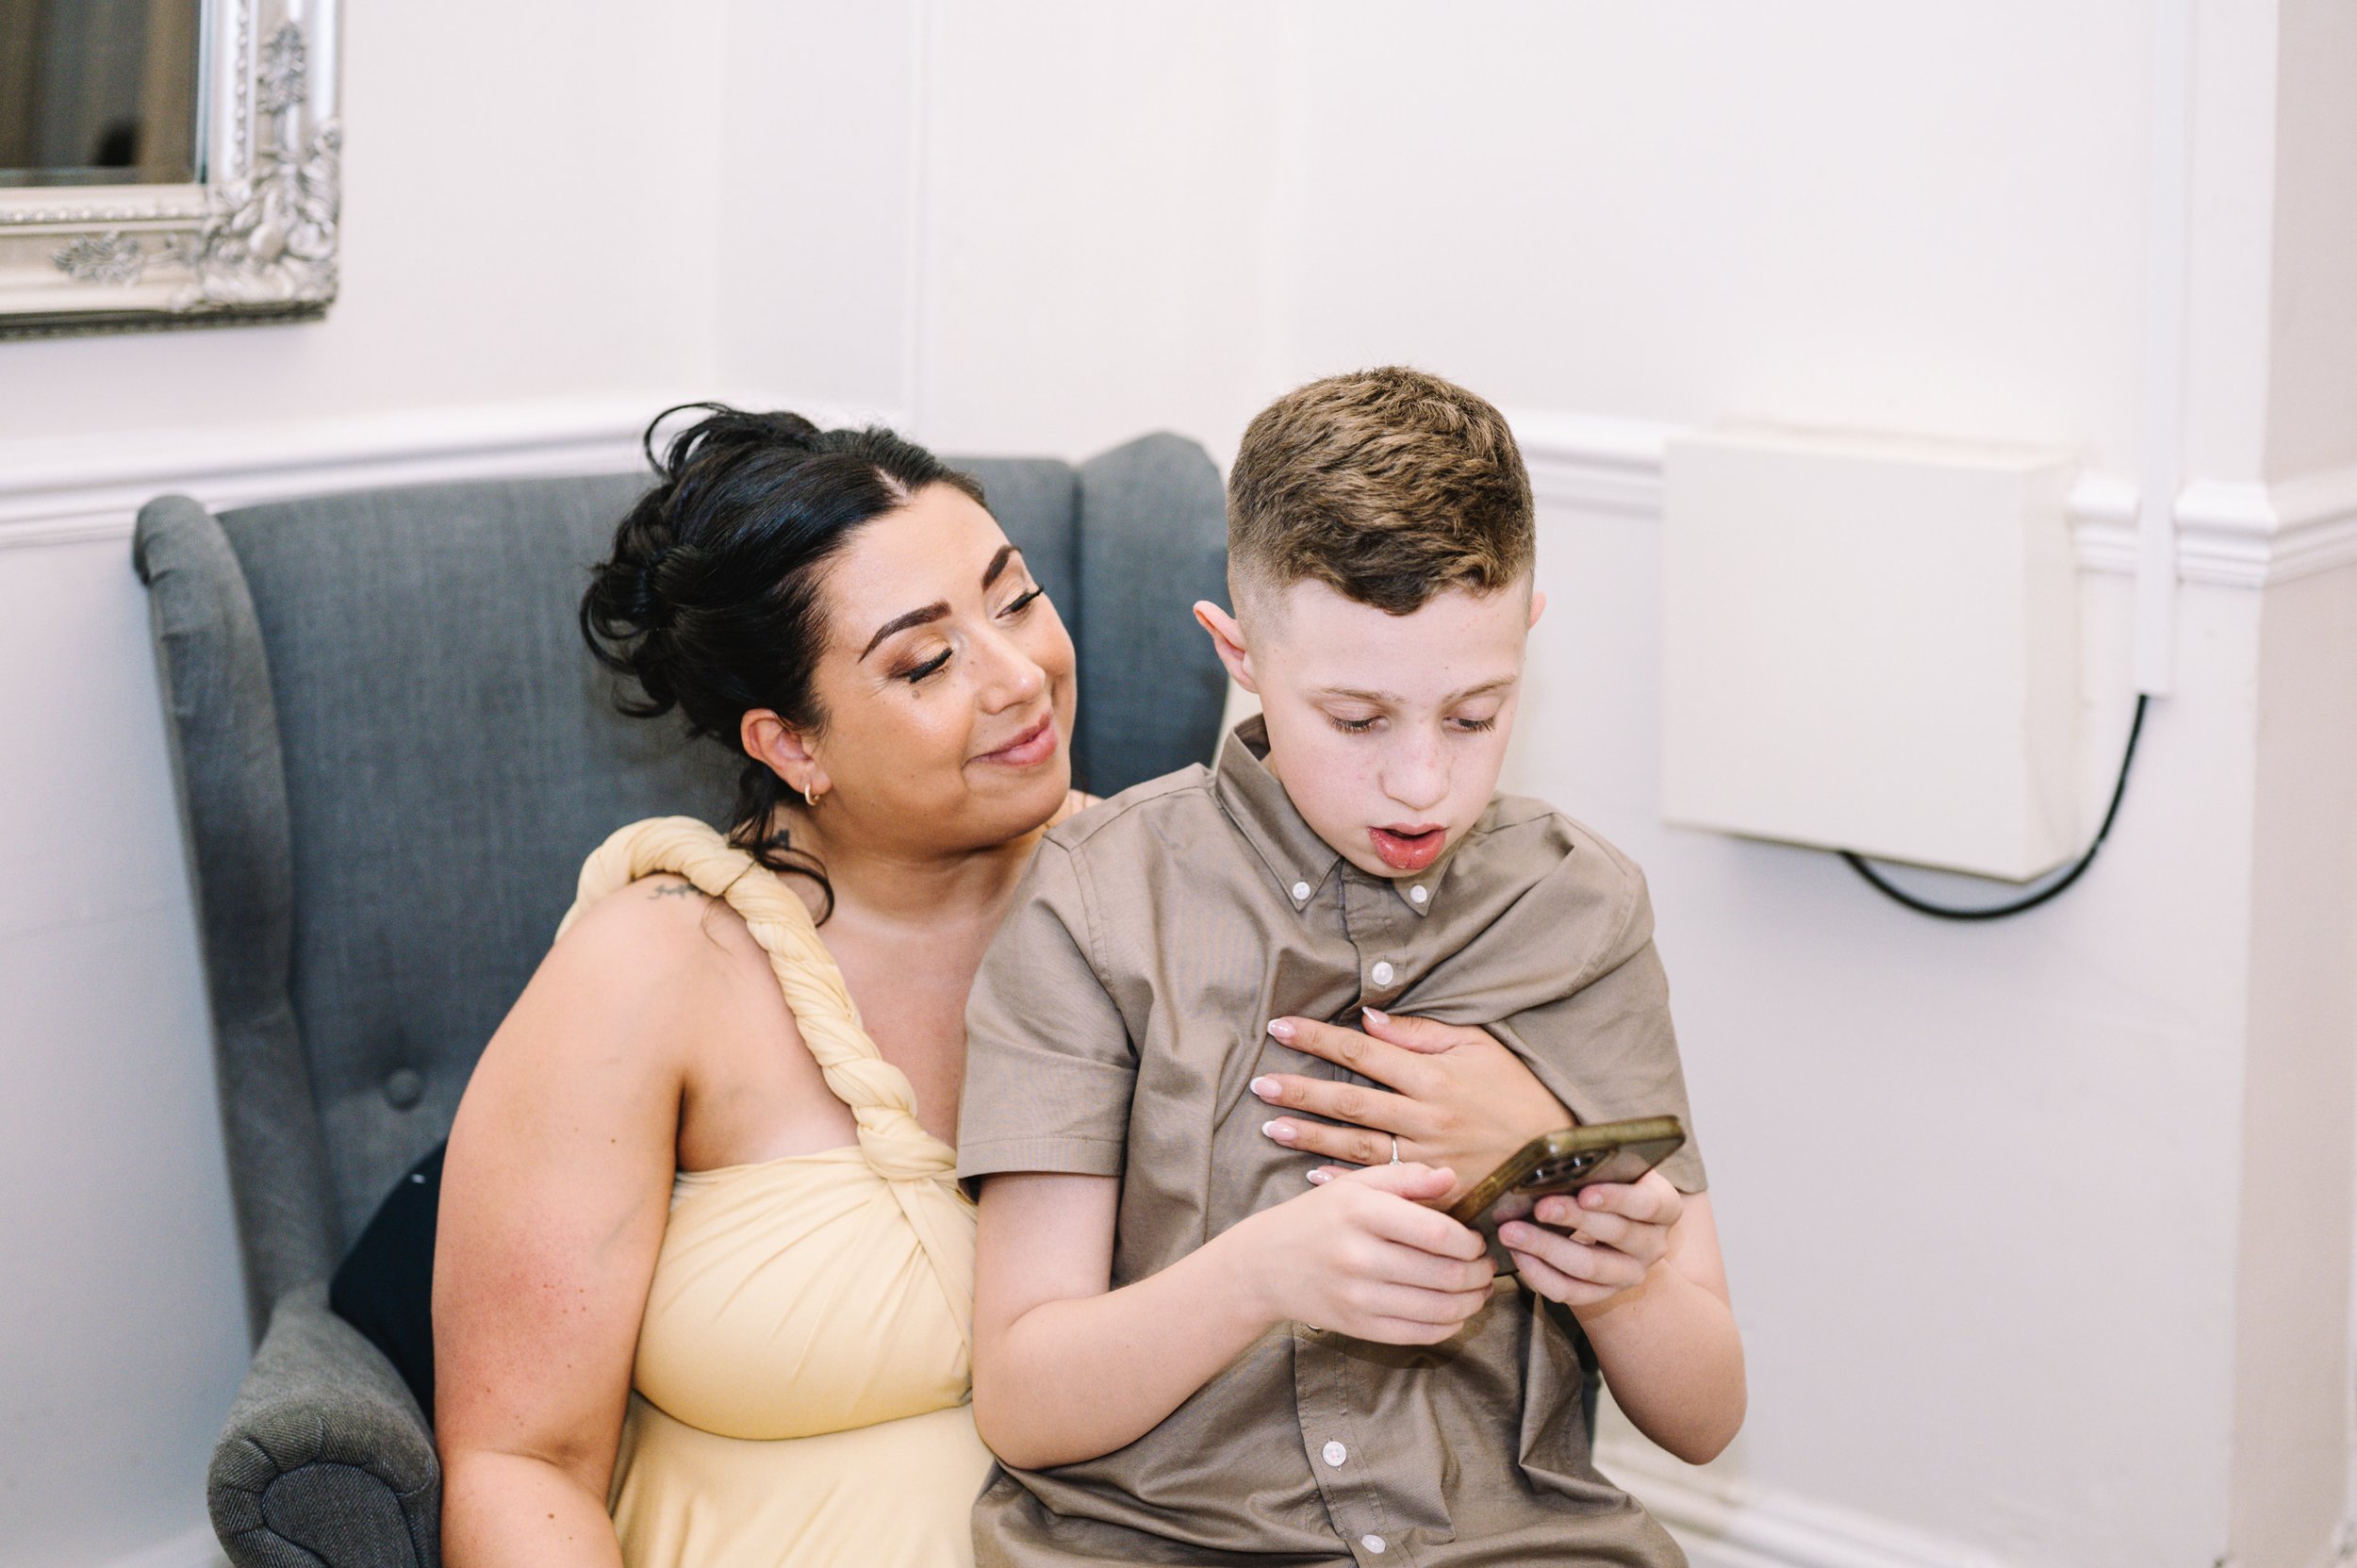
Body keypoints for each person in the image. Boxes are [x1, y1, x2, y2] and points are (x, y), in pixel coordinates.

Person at [431, 404, 1583, 1568]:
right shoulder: (653, 970)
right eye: (926, 661)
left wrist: (1528, 1134)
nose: (1021, 676)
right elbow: (519, 1463)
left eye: (1016, 599)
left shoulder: (1186, 904)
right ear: (790, 744)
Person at [961, 367, 1747, 1567]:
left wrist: (1614, 1277)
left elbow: (1703, 1418)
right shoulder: (1098, 900)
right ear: (1237, 651)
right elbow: (1023, 1400)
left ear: (1526, 634)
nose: (1423, 782)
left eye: (1475, 714)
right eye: (1357, 719)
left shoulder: (1579, 908)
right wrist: (1258, 1275)